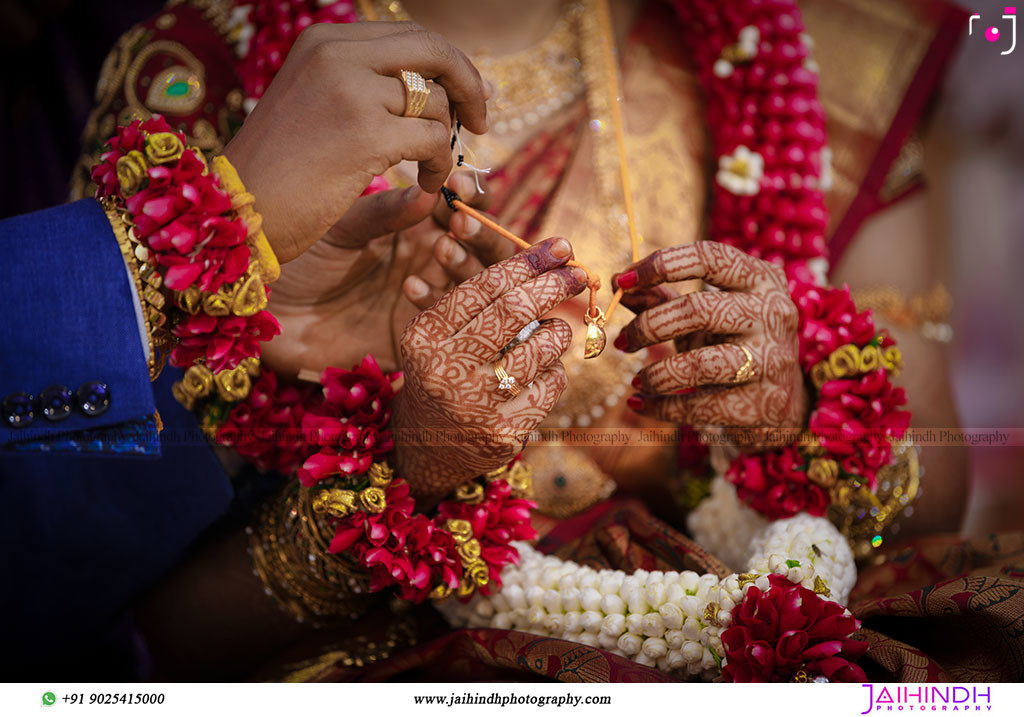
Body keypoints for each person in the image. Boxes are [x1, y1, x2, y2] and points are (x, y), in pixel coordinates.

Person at [12, 0, 1021, 681]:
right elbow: (104, 606)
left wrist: (796, 412)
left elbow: (932, 490)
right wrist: (408, 485)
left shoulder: (816, 54)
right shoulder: (211, 61)